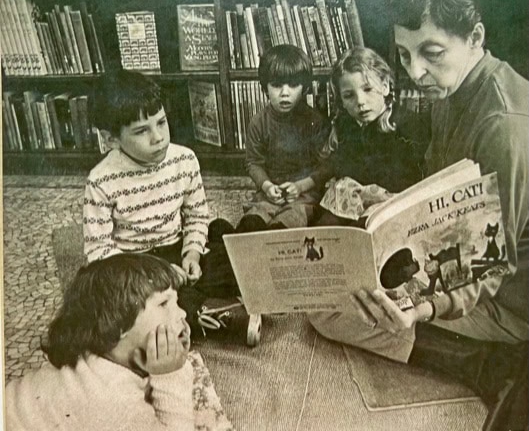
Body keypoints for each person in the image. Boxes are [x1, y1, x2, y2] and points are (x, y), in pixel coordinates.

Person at [308, 0, 528, 430]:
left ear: (475, 36)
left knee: (332, 311)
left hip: (510, 299)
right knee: (328, 293)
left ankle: (483, 363)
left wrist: (420, 309)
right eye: (405, 55)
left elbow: (493, 265)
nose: (415, 72)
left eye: (431, 54)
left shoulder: (504, 125)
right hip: (462, 261)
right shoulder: (452, 91)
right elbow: (441, 196)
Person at [83, 70, 241, 336]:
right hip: (134, 265)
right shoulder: (100, 181)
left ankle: (182, 306)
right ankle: (200, 316)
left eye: (162, 122)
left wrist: (191, 253)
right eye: (141, 131)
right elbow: (98, 251)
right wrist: (158, 273)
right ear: (111, 139)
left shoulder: (185, 160)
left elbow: (196, 216)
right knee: (104, 295)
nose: (158, 137)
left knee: (230, 252)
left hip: (176, 249)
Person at [5, 253, 232, 431]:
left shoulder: (100, 355)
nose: (182, 313)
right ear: (120, 324)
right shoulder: (112, 399)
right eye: (164, 304)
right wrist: (170, 376)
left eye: (177, 302)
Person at [317, 47, 427, 226]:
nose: (360, 102)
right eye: (349, 96)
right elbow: (339, 164)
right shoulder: (346, 125)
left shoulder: (404, 124)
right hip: (355, 198)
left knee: (363, 228)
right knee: (324, 226)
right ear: (342, 102)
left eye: (367, 89)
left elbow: (408, 175)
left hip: (391, 199)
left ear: (385, 86)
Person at [239, 44, 331, 232]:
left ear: (304, 87)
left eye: (293, 85)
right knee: (256, 215)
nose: (285, 93)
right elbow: (253, 163)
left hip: (304, 193)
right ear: (265, 87)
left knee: (292, 218)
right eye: (277, 85)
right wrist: (266, 186)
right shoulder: (258, 122)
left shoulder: (314, 121)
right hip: (271, 191)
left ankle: (280, 230)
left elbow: (326, 166)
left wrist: (300, 186)